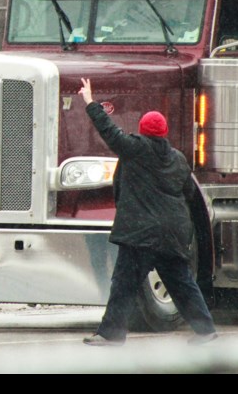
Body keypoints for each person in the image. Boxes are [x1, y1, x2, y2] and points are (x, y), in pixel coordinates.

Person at [77, 77, 217, 346]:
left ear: (142, 130)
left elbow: (109, 131)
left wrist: (90, 102)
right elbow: (188, 193)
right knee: (182, 284)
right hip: (172, 233)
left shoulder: (136, 149)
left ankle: (111, 334)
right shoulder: (177, 158)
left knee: (123, 283)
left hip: (141, 232)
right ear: (164, 132)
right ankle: (206, 330)